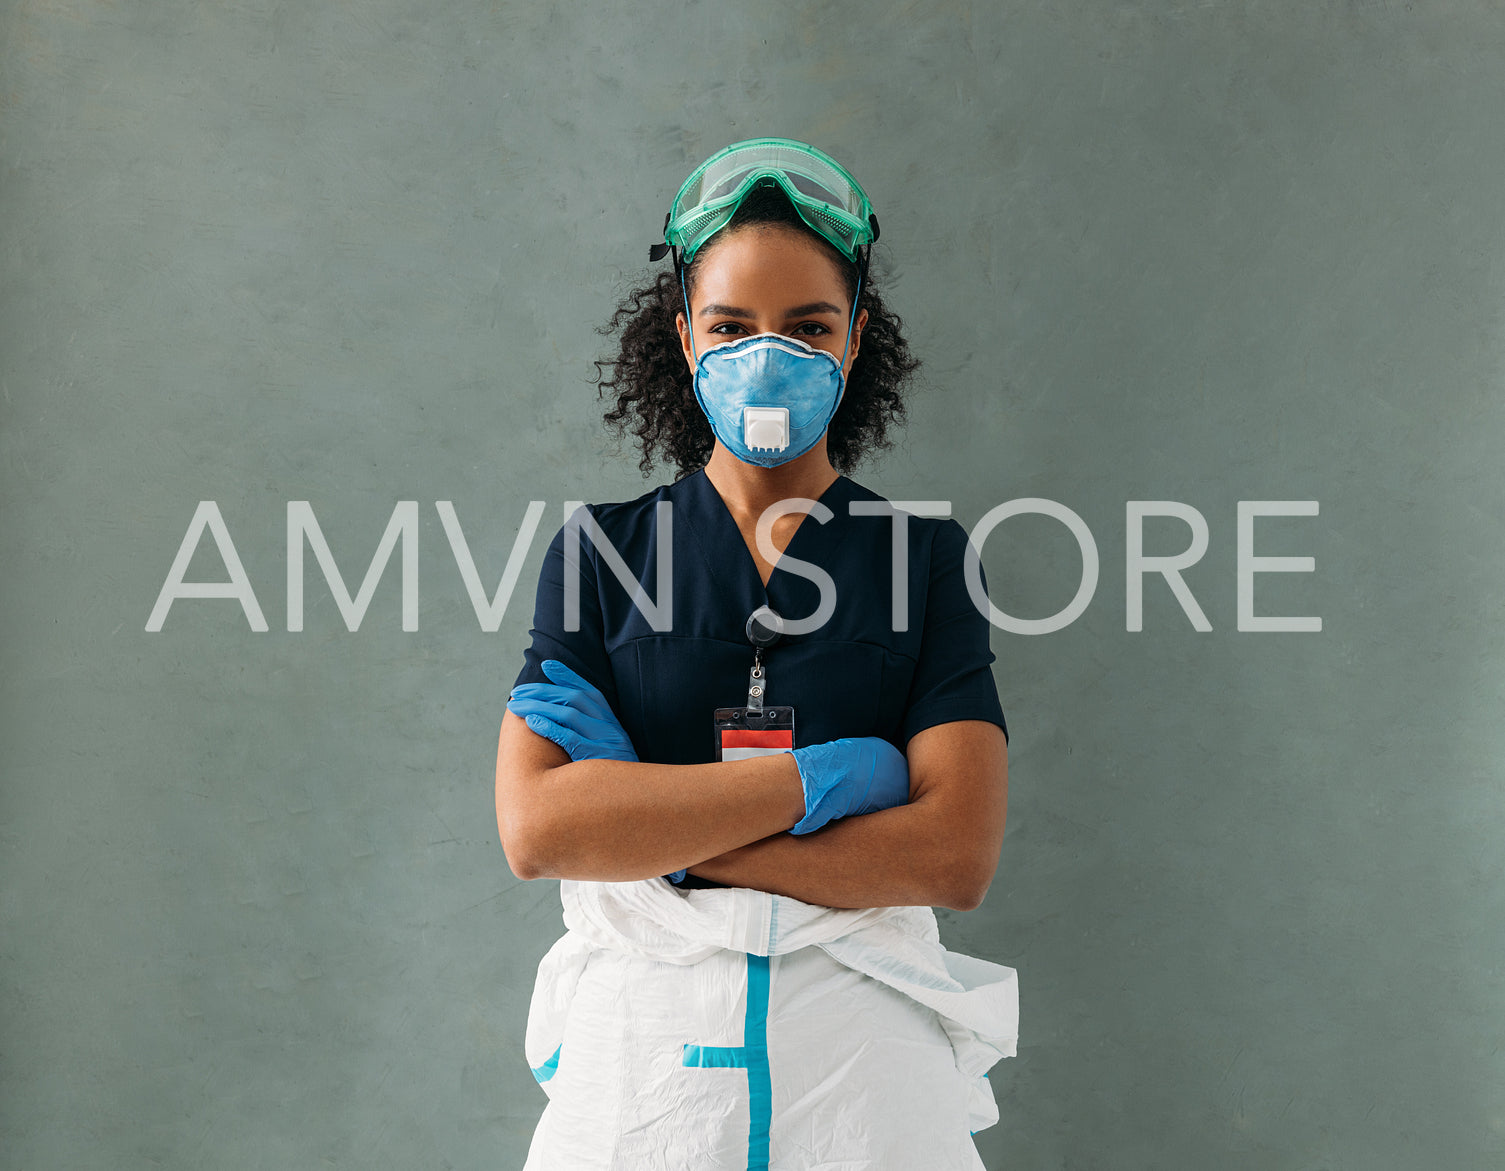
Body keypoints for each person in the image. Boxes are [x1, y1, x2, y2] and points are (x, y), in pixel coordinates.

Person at [494, 138, 1017, 1170]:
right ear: (684, 337)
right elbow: (538, 829)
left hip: (863, 1094)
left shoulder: (922, 560)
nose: (765, 357)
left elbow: (953, 857)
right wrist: (821, 780)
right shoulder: (601, 554)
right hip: (640, 1095)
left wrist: (650, 824)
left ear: (855, 339)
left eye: (807, 326)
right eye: (730, 326)